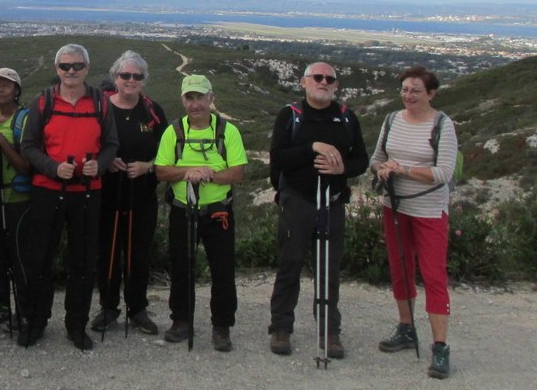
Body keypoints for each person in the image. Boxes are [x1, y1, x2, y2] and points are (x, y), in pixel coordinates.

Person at [19, 44, 119, 350]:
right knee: (40, 260)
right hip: (48, 192)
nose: (71, 72)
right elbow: (29, 146)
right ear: (56, 69)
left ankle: (76, 326)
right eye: (65, 67)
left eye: (77, 66)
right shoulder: (43, 102)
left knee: (84, 262)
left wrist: (98, 165)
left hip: (88, 194)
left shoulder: (102, 103)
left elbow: (112, 145)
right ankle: (35, 323)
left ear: (87, 69)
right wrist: (52, 167)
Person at [268, 62, 368, 358]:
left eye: (329, 79)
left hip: (333, 201)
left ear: (336, 85)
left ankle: (330, 331)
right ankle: (281, 327)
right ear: (304, 82)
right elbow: (278, 158)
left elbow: (361, 160)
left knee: (329, 268)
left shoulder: (347, 118)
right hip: (297, 200)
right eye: (317, 77)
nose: (323, 82)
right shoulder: (290, 116)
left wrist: (341, 169)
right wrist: (313, 147)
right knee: (290, 264)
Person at [370, 66, 458, 379]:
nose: (409, 95)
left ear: (431, 94)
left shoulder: (442, 125)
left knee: (434, 274)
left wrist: (404, 169)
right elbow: (376, 158)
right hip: (394, 206)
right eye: (405, 89)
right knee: (400, 267)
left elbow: (443, 173)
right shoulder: (392, 119)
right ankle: (406, 327)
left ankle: (440, 347)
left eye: (416, 91)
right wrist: (382, 169)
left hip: (429, 209)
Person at [155, 75, 247, 350]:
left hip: (218, 211)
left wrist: (208, 175)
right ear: (183, 100)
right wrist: (188, 172)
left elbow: (238, 173)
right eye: (189, 98)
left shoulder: (228, 131)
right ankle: (181, 320)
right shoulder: (174, 131)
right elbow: (161, 171)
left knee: (223, 268)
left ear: (211, 98)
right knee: (181, 267)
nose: (195, 104)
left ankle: (222, 326)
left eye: (200, 97)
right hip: (183, 210)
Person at [91, 51, 167, 336]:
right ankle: (108, 307)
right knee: (107, 252)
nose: (131, 80)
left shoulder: (153, 110)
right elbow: (89, 142)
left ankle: (138, 309)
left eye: (137, 76)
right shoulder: (101, 108)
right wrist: (105, 161)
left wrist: (148, 166)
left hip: (142, 194)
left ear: (144, 80)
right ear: (115, 77)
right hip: (107, 192)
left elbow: (168, 150)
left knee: (138, 254)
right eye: (125, 75)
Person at [0, 68, 31, 329]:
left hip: (17, 197)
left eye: (6, 85)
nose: (0, 89)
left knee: (19, 254)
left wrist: (2, 143)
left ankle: (24, 308)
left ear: (16, 90)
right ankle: (2, 305)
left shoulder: (24, 119)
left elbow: (26, 166)